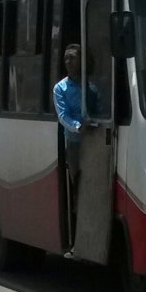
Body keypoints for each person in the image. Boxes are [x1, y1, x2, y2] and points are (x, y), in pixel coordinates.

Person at [52, 44, 98, 257]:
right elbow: (63, 117)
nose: (68, 62)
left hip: (96, 142)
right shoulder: (60, 88)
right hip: (75, 143)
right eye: (66, 59)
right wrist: (80, 127)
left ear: (82, 60)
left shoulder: (92, 86)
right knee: (77, 186)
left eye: (73, 58)